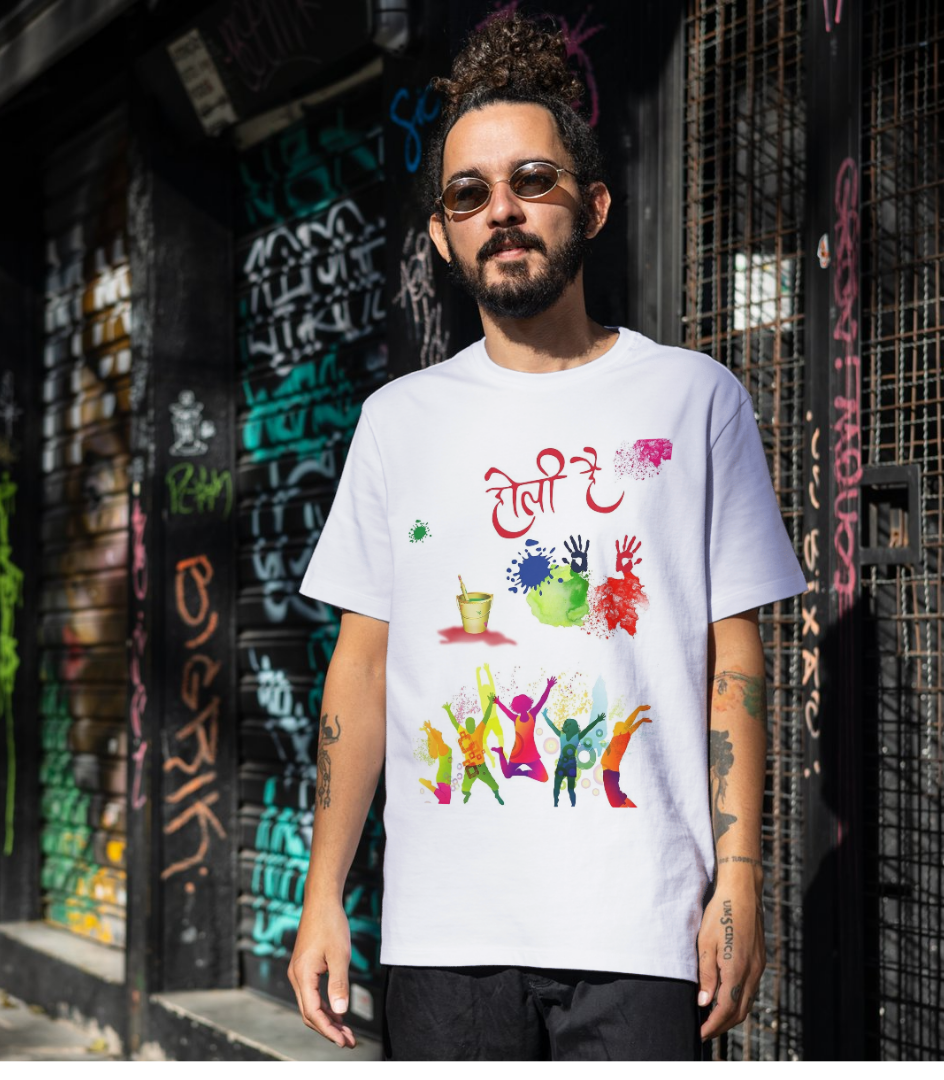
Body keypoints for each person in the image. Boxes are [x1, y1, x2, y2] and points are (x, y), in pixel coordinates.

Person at [287, 12, 806, 1061]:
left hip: (643, 925)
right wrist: (322, 894)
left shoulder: (694, 399)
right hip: (446, 936)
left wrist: (741, 879)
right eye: (468, 194)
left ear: (594, 205)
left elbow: (734, 659)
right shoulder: (397, 421)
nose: (503, 210)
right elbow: (363, 665)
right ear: (444, 235)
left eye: (533, 180)